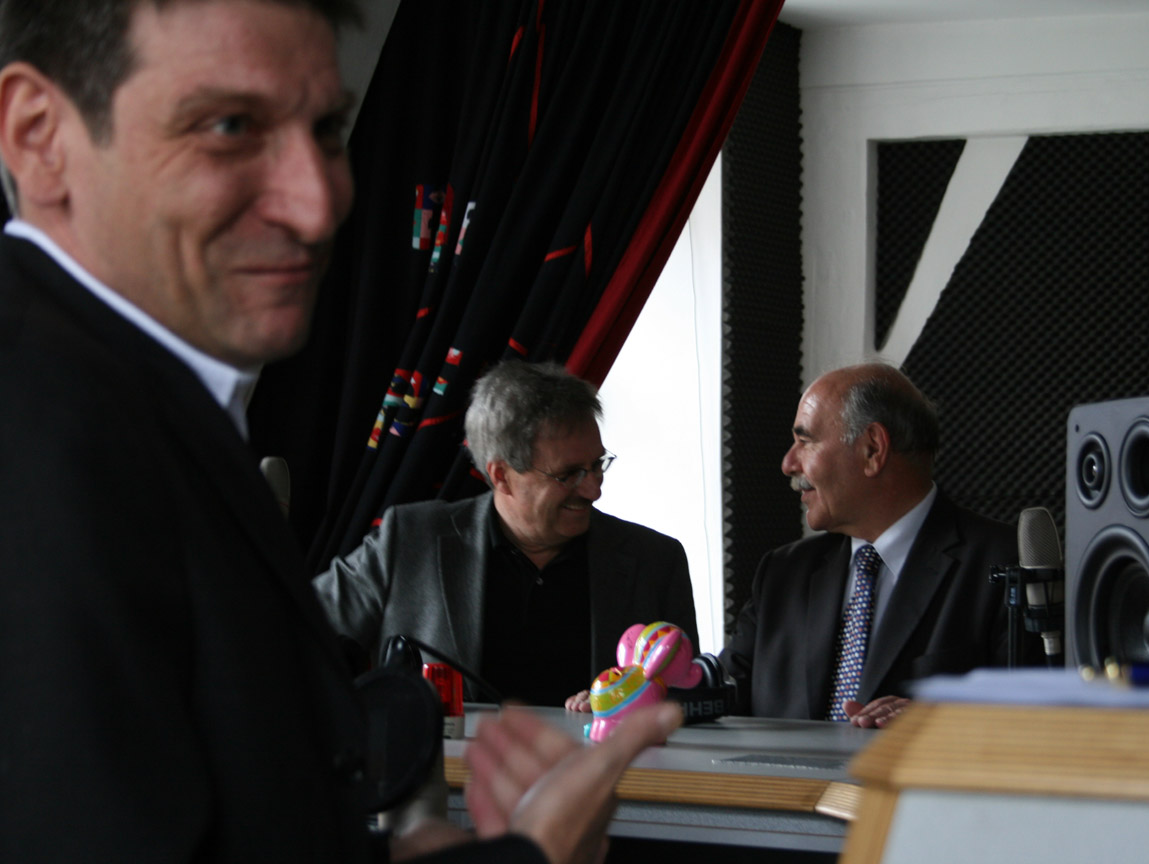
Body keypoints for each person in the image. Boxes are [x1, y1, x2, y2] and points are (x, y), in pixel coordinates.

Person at [0, 2, 680, 862]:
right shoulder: (42, 436)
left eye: (325, 130)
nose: (319, 202)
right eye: (230, 126)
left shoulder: (153, 410)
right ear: (39, 136)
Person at [315, 360, 698, 707]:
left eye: (597, 465)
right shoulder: (410, 539)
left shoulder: (655, 561)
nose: (593, 490)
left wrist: (633, 703)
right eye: (569, 474)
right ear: (501, 476)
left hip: (608, 765)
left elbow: (692, 699)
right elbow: (299, 632)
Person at [718, 362, 1038, 728]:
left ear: (872, 449)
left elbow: (1043, 722)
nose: (788, 463)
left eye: (805, 442)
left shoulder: (1007, 565)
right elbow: (720, 695)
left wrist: (944, 721)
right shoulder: (782, 574)